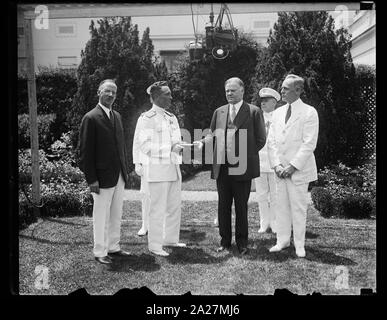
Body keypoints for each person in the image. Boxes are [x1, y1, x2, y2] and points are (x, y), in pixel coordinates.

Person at [194, 77, 266, 255]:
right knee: (223, 206)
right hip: (222, 167)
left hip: (242, 167)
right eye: (227, 91)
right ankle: (225, 242)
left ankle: (242, 243)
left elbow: (261, 139)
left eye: (233, 90)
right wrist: (203, 142)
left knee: (241, 206)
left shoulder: (254, 111)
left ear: (242, 90)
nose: (229, 93)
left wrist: (244, 156)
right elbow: (212, 134)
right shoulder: (219, 112)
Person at [79, 79, 131, 265]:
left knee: (116, 213)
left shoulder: (116, 116)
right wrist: (92, 179)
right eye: (107, 91)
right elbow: (84, 153)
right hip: (100, 178)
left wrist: (126, 171)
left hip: (118, 175)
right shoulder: (90, 117)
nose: (110, 95)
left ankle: (113, 247)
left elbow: (120, 147)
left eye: (114, 92)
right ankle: (100, 251)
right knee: (101, 215)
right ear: (99, 92)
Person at [267, 74, 319, 258]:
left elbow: (309, 143)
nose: (281, 91)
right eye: (282, 87)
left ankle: (299, 244)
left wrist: (292, 167)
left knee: (298, 208)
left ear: (298, 90)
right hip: (280, 170)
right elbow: (271, 141)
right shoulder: (278, 112)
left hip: (298, 170)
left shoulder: (309, 112)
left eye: (285, 88)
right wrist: (276, 165)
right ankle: (282, 240)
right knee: (280, 205)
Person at [134, 81, 187, 257]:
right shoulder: (146, 119)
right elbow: (145, 145)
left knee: (173, 207)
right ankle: (155, 245)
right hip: (157, 171)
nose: (171, 97)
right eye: (167, 94)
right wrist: (169, 149)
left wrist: (183, 146)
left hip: (173, 168)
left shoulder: (171, 117)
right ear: (156, 97)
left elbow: (176, 141)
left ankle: (170, 239)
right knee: (156, 209)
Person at [255, 87, 281, 233]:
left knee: (276, 195)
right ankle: (264, 222)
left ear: (274, 102)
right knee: (261, 195)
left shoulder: (280, 118)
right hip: (259, 162)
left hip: (275, 163)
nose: (262, 103)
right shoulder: (257, 117)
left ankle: (275, 222)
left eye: (266, 101)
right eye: (261, 101)